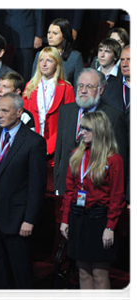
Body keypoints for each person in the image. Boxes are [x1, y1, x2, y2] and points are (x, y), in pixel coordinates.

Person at [0, 92, 47, 300]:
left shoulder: (34, 142)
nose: (0, 115)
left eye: (5, 111)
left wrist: (29, 219)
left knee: (20, 272)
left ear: (19, 112)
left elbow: (36, 186)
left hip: (17, 220)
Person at [60, 111, 125, 300]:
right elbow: (70, 191)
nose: (82, 132)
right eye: (82, 128)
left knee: (99, 272)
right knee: (82, 271)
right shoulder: (77, 154)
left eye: (87, 129)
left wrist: (110, 227)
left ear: (99, 131)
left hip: (100, 219)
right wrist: (65, 220)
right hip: (78, 216)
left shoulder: (113, 159)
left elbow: (117, 197)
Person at [54, 68, 128, 197]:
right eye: (81, 86)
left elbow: (119, 159)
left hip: (97, 191)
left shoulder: (114, 117)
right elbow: (60, 150)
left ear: (101, 90)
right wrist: (57, 183)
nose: (83, 90)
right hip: (66, 188)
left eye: (89, 86)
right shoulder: (66, 111)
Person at [23, 46, 75, 164]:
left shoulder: (67, 89)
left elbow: (68, 123)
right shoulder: (30, 86)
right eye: (41, 60)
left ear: (57, 64)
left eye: (49, 60)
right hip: (31, 147)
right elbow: (24, 118)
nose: (44, 64)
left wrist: (48, 147)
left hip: (55, 149)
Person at [101, 44, 134, 207]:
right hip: (113, 153)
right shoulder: (109, 87)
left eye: (130, 60)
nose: (125, 64)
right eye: (122, 60)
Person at [0, 8, 44, 81]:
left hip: (25, 35)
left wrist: (39, 35)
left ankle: (25, 91)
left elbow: (39, 11)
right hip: (7, 34)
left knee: (25, 70)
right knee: (8, 70)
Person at [32, 18, 84, 86]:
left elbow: (78, 87)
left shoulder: (75, 57)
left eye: (55, 33)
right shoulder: (40, 55)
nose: (50, 36)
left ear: (65, 35)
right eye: (49, 32)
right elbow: (33, 84)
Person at [90, 38, 123, 104]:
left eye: (107, 51)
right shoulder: (90, 75)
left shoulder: (122, 78)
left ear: (115, 57)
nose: (102, 55)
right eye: (100, 50)